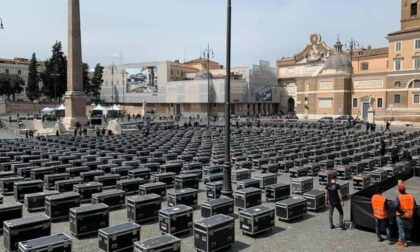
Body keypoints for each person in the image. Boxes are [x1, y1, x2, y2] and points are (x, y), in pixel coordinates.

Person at [394, 183, 416, 247]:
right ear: (405, 189)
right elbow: (415, 207)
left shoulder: (399, 197)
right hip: (409, 215)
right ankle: (405, 239)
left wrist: (401, 212)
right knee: (407, 228)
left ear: (399, 190)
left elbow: (396, 206)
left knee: (401, 229)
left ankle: (403, 242)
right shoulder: (411, 196)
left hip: (401, 216)